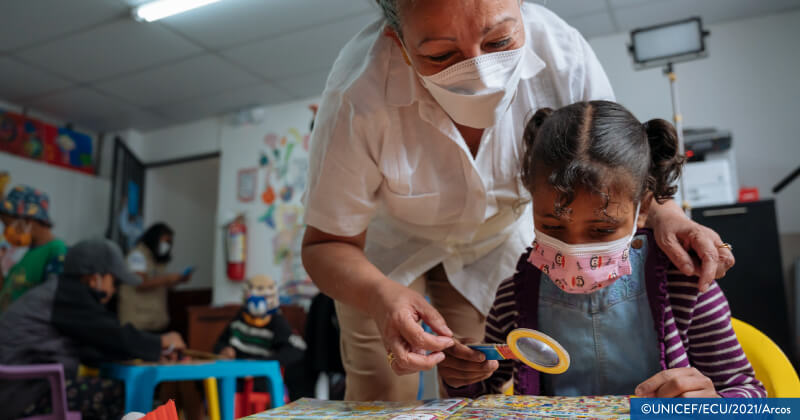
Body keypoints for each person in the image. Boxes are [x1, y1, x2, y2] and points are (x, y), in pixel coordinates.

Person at [301, 0, 736, 401]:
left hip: (491, 247)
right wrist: (381, 296)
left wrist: (667, 212)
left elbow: (616, 168)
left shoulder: (563, 55)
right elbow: (326, 243)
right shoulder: (357, 97)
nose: (480, 73)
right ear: (398, 43)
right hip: (382, 256)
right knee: (380, 390)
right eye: (441, 54)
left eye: (499, 42)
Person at [440, 101, 765, 398]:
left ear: (642, 210)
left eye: (602, 230)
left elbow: (750, 395)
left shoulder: (685, 287)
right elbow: (479, 395)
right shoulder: (515, 297)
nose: (575, 250)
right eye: (553, 227)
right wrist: (462, 375)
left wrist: (711, 405)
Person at [0, 238, 187, 420]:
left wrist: (151, 351)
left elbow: (94, 347)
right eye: (114, 282)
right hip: (21, 395)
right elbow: (111, 335)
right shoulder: (68, 296)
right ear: (94, 278)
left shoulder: (58, 293)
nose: (113, 291)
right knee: (123, 394)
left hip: (17, 391)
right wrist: (161, 341)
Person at [214, 274, 306, 400]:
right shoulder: (240, 317)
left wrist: (260, 364)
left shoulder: (277, 322)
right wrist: (223, 349)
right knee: (215, 383)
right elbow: (220, 342)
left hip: (259, 376)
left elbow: (295, 350)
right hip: (236, 372)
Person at [0, 185, 67, 312]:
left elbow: (50, 303)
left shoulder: (56, 251)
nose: (6, 232)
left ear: (29, 220)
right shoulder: (27, 252)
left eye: (8, 224)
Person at [118, 223, 190, 332]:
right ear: (154, 238)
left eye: (169, 242)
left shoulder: (156, 259)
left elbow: (157, 282)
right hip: (138, 322)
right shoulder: (137, 256)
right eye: (165, 241)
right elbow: (139, 283)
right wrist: (167, 278)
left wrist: (178, 280)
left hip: (155, 321)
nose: (166, 245)